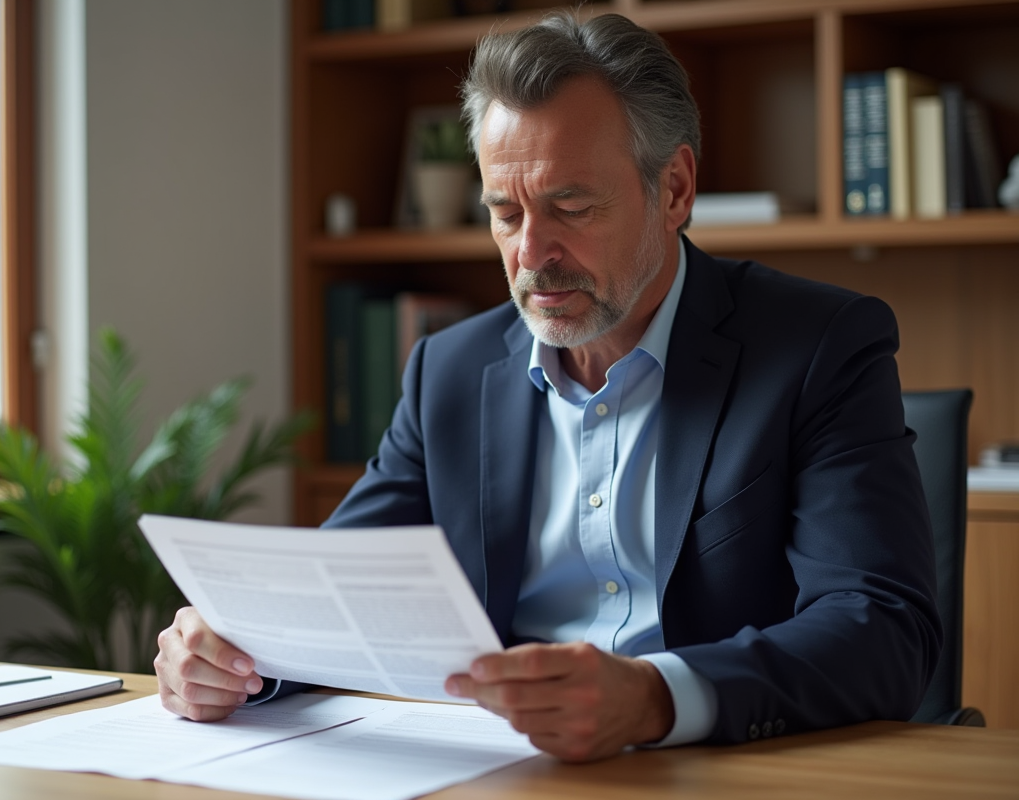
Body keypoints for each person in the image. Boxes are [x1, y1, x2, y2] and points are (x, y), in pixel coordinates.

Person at [155, 11, 941, 762]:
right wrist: (232, 654)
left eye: (571, 205)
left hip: (717, 772)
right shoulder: (450, 372)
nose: (532, 253)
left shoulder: (818, 347)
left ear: (673, 190)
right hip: (494, 770)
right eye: (504, 212)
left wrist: (656, 697)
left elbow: (881, 628)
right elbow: (331, 595)